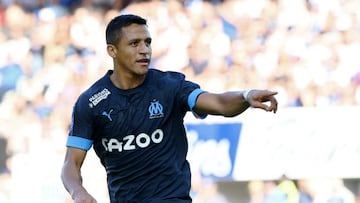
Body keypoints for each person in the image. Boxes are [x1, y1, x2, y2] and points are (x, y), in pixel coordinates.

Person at [60, 14, 278, 203]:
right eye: (134, 43)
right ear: (112, 50)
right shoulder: (90, 103)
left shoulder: (170, 86)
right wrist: (78, 191)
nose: (144, 50)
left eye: (148, 42)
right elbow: (71, 164)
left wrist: (245, 96)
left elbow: (219, 103)